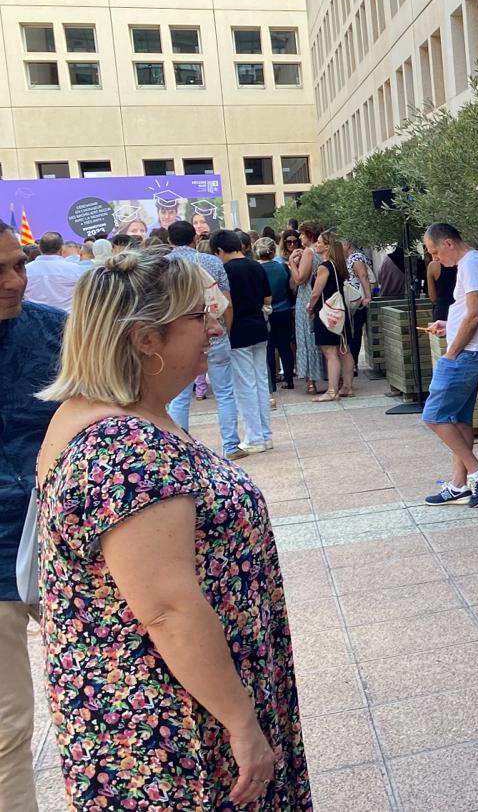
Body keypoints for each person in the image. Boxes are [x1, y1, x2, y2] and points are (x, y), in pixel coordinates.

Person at [31, 249, 311, 809]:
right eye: (198, 314)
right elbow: (168, 609)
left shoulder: (115, 415)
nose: (215, 324)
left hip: (172, 704)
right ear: (145, 339)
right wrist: (241, 722)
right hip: (173, 723)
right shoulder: (124, 448)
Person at [0, 221, 65, 812]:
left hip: (67, 545)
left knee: (122, 694)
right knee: (7, 728)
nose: (14, 281)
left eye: (18, 264)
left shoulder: (56, 332)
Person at [420, 223, 478, 508]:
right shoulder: (471, 264)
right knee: (458, 419)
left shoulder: (472, 264)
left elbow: (475, 315)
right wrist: (448, 325)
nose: (435, 259)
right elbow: (468, 312)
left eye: (435, 252)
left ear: (449, 243)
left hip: (466, 353)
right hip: (469, 350)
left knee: (433, 415)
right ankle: (457, 485)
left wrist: (452, 352)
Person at [163, 220, 243, 457]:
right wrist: (226, 328)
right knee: (225, 391)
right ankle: (230, 444)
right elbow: (225, 301)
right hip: (213, 333)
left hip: (178, 338)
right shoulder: (211, 261)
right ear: (195, 239)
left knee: (179, 395)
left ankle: (180, 448)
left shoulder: (162, 266)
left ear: (169, 240)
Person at [216, 230, 273, 453]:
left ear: (220, 250)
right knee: (261, 382)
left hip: (238, 329)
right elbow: (267, 298)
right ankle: (265, 434)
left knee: (245, 386)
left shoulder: (225, 270)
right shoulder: (256, 266)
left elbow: (226, 304)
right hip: (259, 326)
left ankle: (254, 437)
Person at [306, 228, 356, 401]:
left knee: (330, 352)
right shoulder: (338, 264)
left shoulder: (324, 266)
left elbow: (315, 292)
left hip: (327, 313)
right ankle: (347, 386)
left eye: (319, 242)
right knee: (344, 349)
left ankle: (332, 390)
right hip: (341, 312)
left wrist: (310, 307)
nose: (316, 244)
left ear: (327, 246)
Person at [288, 222, 326, 394]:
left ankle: (311, 380)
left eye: (302, 234)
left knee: (306, 338)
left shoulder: (309, 252)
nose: (299, 238)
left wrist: (291, 263)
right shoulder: (321, 252)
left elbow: (300, 279)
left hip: (307, 297)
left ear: (308, 235)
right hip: (321, 297)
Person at [258, 237, 295, 405]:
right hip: (284, 309)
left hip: (265, 311)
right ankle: (289, 378)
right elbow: (289, 288)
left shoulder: (256, 270)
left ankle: (271, 380)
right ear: (274, 251)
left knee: (269, 348)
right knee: (285, 345)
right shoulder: (283, 268)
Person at [22, 232, 85, 312]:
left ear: (40, 248)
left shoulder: (26, 270)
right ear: (61, 249)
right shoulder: (75, 269)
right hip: (66, 319)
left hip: (36, 320)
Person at [344, 239, 374, 376]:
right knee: (354, 332)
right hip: (355, 300)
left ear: (347, 244)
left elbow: (363, 276)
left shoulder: (356, 257)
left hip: (359, 301)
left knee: (355, 332)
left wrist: (368, 297)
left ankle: (354, 363)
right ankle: (352, 363)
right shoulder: (351, 257)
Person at [427, 253, 456, 324]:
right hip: (460, 309)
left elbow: (433, 298)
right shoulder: (461, 263)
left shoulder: (433, 266)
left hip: (442, 310)